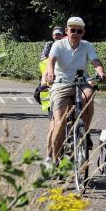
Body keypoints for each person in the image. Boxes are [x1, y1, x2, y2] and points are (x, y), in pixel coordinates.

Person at [44, 16, 106, 165]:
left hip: (81, 81)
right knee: (59, 123)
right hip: (62, 83)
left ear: (83, 32)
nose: (75, 33)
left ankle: (84, 132)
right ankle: (54, 160)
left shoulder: (86, 45)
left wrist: (101, 72)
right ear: (67, 31)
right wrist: (50, 73)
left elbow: (95, 61)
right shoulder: (58, 45)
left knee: (90, 94)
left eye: (79, 31)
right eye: (72, 30)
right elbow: (51, 60)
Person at [38, 27, 64, 165]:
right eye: (56, 35)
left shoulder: (66, 47)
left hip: (65, 88)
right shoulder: (49, 46)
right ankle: (48, 157)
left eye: (60, 35)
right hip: (51, 90)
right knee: (54, 125)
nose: (58, 37)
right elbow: (44, 65)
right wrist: (45, 81)